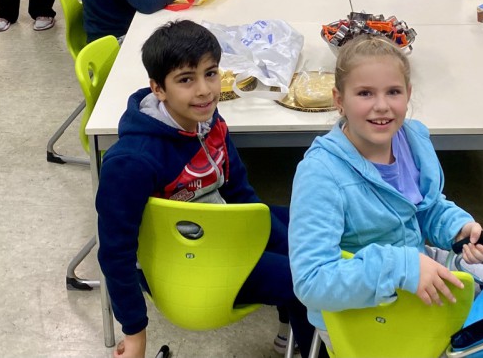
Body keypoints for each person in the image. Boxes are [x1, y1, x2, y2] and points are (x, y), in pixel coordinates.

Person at [96, 19, 320, 358]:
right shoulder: (131, 161)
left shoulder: (209, 122)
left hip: (217, 229)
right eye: (186, 79)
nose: (204, 90)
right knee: (308, 279)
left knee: (308, 231)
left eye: (211, 73)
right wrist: (135, 331)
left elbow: (241, 195)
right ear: (158, 89)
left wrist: (278, 240)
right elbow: (115, 252)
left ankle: (292, 329)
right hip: (179, 264)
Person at [289, 35, 483, 350]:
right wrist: (401, 267)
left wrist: (458, 227)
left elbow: (425, 207)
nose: (382, 106)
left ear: (408, 94)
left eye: (393, 92)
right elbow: (312, 281)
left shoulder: (411, 140)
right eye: (365, 93)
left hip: (414, 277)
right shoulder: (320, 174)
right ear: (339, 99)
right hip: (360, 315)